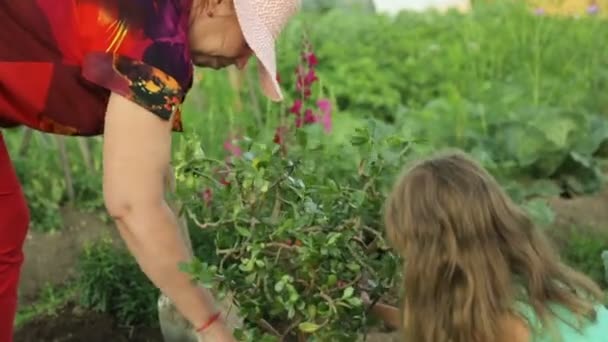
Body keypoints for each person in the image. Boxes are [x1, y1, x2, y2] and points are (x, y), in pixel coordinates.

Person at [0, 0, 299, 341]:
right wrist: (211, 325)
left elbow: (156, 183)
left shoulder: (157, 16)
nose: (243, 62)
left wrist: (193, 288)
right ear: (216, 5)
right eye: (248, 43)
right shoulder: (159, 43)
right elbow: (131, 205)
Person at [378, 150, 608, 341]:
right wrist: (376, 308)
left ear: (434, 254)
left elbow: (446, 332)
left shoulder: (507, 323)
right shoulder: (531, 290)